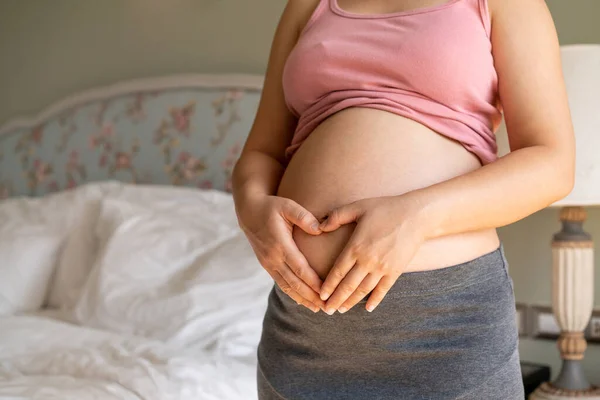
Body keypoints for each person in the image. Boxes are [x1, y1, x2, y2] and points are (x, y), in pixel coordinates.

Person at [231, 0, 575, 398]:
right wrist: (252, 209)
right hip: (304, 336)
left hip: (445, 332)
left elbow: (552, 163)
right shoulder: (308, 6)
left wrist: (416, 217)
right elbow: (261, 153)